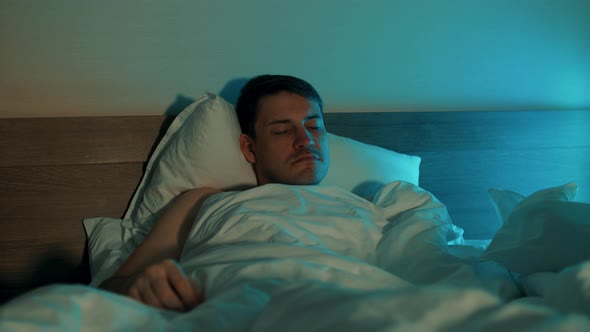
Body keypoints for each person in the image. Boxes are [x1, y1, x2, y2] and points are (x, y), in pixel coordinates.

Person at [99, 74, 331, 312]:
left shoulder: (362, 205)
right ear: (249, 148)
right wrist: (139, 286)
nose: (306, 140)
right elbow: (109, 290)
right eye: (282, 130)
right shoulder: (207, 204)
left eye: (314, 127)